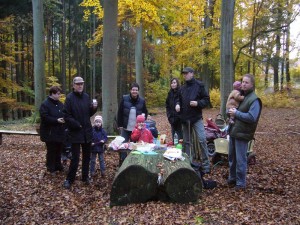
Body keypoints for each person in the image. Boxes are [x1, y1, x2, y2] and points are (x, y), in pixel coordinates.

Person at [227, 74, 262, 190]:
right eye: (243, 82)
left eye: (247, 82)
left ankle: (241, 183)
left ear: (252, 84)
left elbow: (252, 117)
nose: (244, 84)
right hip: (234, 130)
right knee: (232, 157)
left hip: (243, 133)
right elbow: (235, 108)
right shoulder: (241, 96)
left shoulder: (254, 99)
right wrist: (230, 113)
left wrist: (236, 113)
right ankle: (232, 178)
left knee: (241, 159)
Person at [63, 76, 97, 189]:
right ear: (73, 85)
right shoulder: (69, 98)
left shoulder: (86, 97)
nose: (80, 85)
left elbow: (88, 114)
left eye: (81, 84)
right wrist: (76, 124)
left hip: (87, 131)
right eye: (77, 84)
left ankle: (85, 177)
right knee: (75, 158)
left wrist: (94, 108)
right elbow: (66, 116)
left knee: (87, 157)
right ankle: (69, 179)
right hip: (75, 132)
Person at [175, 67, 211, 174]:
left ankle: (206, 164)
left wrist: (198, 103)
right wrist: (177, 104)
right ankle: (188, 162)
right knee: (186, 142)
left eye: (186, 73)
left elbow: (206, 100)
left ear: (192, 73)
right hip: (185, 119)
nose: (185, 75)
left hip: (196, 118)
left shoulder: (199, 85)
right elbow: (178, 99)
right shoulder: (182, 88)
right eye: (184, 74)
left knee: (202, 139)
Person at [117, 82, 148, 165]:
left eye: (136, 90)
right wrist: (119, 125)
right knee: (123, 147)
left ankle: (134, 164)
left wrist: (142, 121)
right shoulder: (124, 98)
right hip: (125, 128)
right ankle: (123, 164)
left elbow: (145, 113)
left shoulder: (142, 101)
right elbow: (120, 112)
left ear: (138, 91)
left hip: (136, 130)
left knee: (135, 148)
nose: (135, 91)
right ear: (130, 90)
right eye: (133, 90)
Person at [39, 86, 65, 174]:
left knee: (59, 149)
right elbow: (44, 117)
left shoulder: (61, 104)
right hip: (49, 132)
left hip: (60, 131)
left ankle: (58, 165)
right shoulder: (45, 104)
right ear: (52, 94)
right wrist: (56, 120)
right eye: (58, 94)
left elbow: (64, 113)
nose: (59, 95)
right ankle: (51, 167)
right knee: (51, 150)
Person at [166, 78, 183, 142]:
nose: (173, 84)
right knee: (174, 138)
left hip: (180, 120)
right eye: (172, 83)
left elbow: (181, 102)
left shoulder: (181, 92)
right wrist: (169, 116)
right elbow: (167, 106)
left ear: (177, 83)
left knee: (180, 138)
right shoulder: (170, 93)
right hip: (172, 119)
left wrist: (180, 116)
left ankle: (181, 151)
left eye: (174, 83)